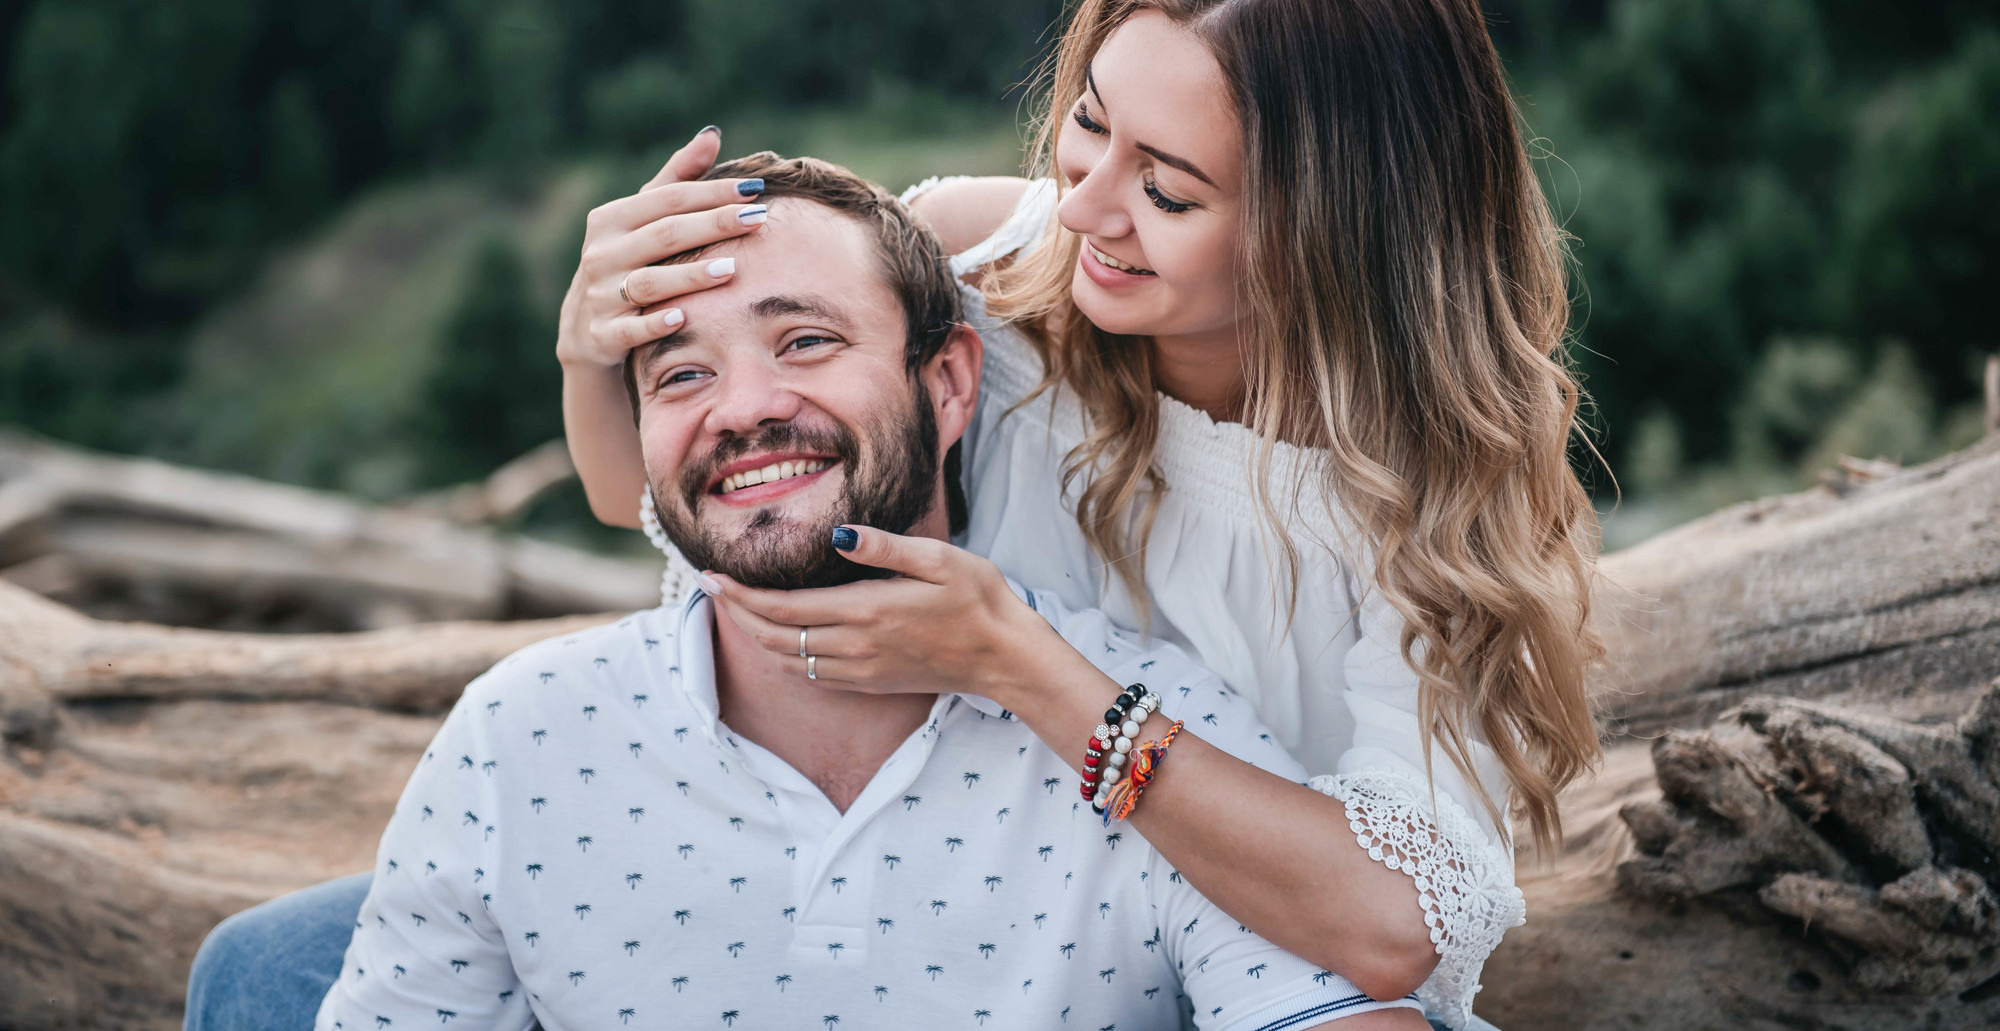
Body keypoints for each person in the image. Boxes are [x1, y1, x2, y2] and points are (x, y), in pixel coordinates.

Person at [554, 0, 1603, 1029]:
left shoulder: (1444, 498)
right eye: (1091, 123)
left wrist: (1023, 668)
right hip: (883, 916)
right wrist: (585, 342)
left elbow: (1396, 926)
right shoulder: (980, 275)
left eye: (1166, 188)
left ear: (1337, 227)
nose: (1084, 206)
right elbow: (637, 497)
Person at [307, 156, 1423, 1031]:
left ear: (945, 386)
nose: (741, 408)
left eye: (804, 340)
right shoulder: (519, 739)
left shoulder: (1151, 733)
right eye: (680, 374)